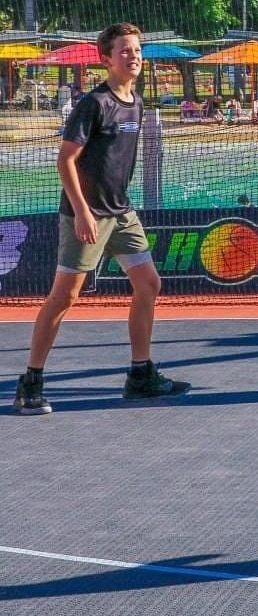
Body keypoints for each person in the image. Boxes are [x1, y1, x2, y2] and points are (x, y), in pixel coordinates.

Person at [13, 23, 190, 415]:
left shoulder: (137, 102)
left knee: (148, 283)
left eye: (137, 50)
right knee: (65, 297)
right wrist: (81, 212)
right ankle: (30, 382)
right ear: (106, 59)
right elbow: (65, 160)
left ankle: (140, 375)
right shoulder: (95, 103)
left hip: (121, 211)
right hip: (87, 214)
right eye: (124, 51)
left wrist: (113, 207)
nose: (134, 56)